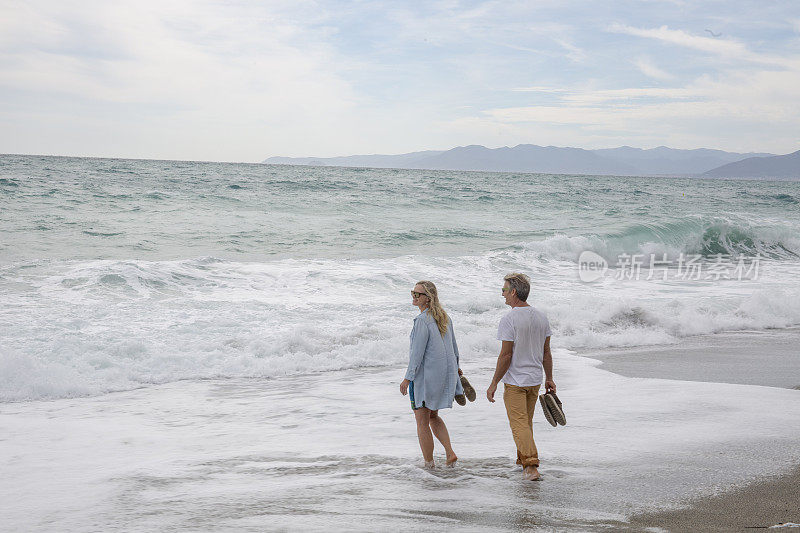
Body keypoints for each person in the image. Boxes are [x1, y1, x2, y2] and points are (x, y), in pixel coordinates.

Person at [486, 273, 555, 481]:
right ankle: (522, 462)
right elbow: (546, 352)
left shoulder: (509, 318)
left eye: (504, 290)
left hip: (516, 381)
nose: (503, 295)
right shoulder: (541, 317)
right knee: (525, 424)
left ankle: (531, 466)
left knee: (519, 424)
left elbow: (506, 355)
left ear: (514, 292)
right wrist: (549, 378)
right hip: (534, 379)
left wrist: (494, 382)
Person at [400, 280, 464, 468]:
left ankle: (429, 465)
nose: (414, 297)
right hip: (444, 376)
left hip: (425, 379)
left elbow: (417, 355)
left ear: (427, 298)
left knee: (421, 420)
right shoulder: (444, 317)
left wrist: (407, 378)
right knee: (433, 416)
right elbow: (454, 349)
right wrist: (457, 370)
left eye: (417, 294)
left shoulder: (421, 321)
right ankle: (450, 453)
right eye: (413, 293)